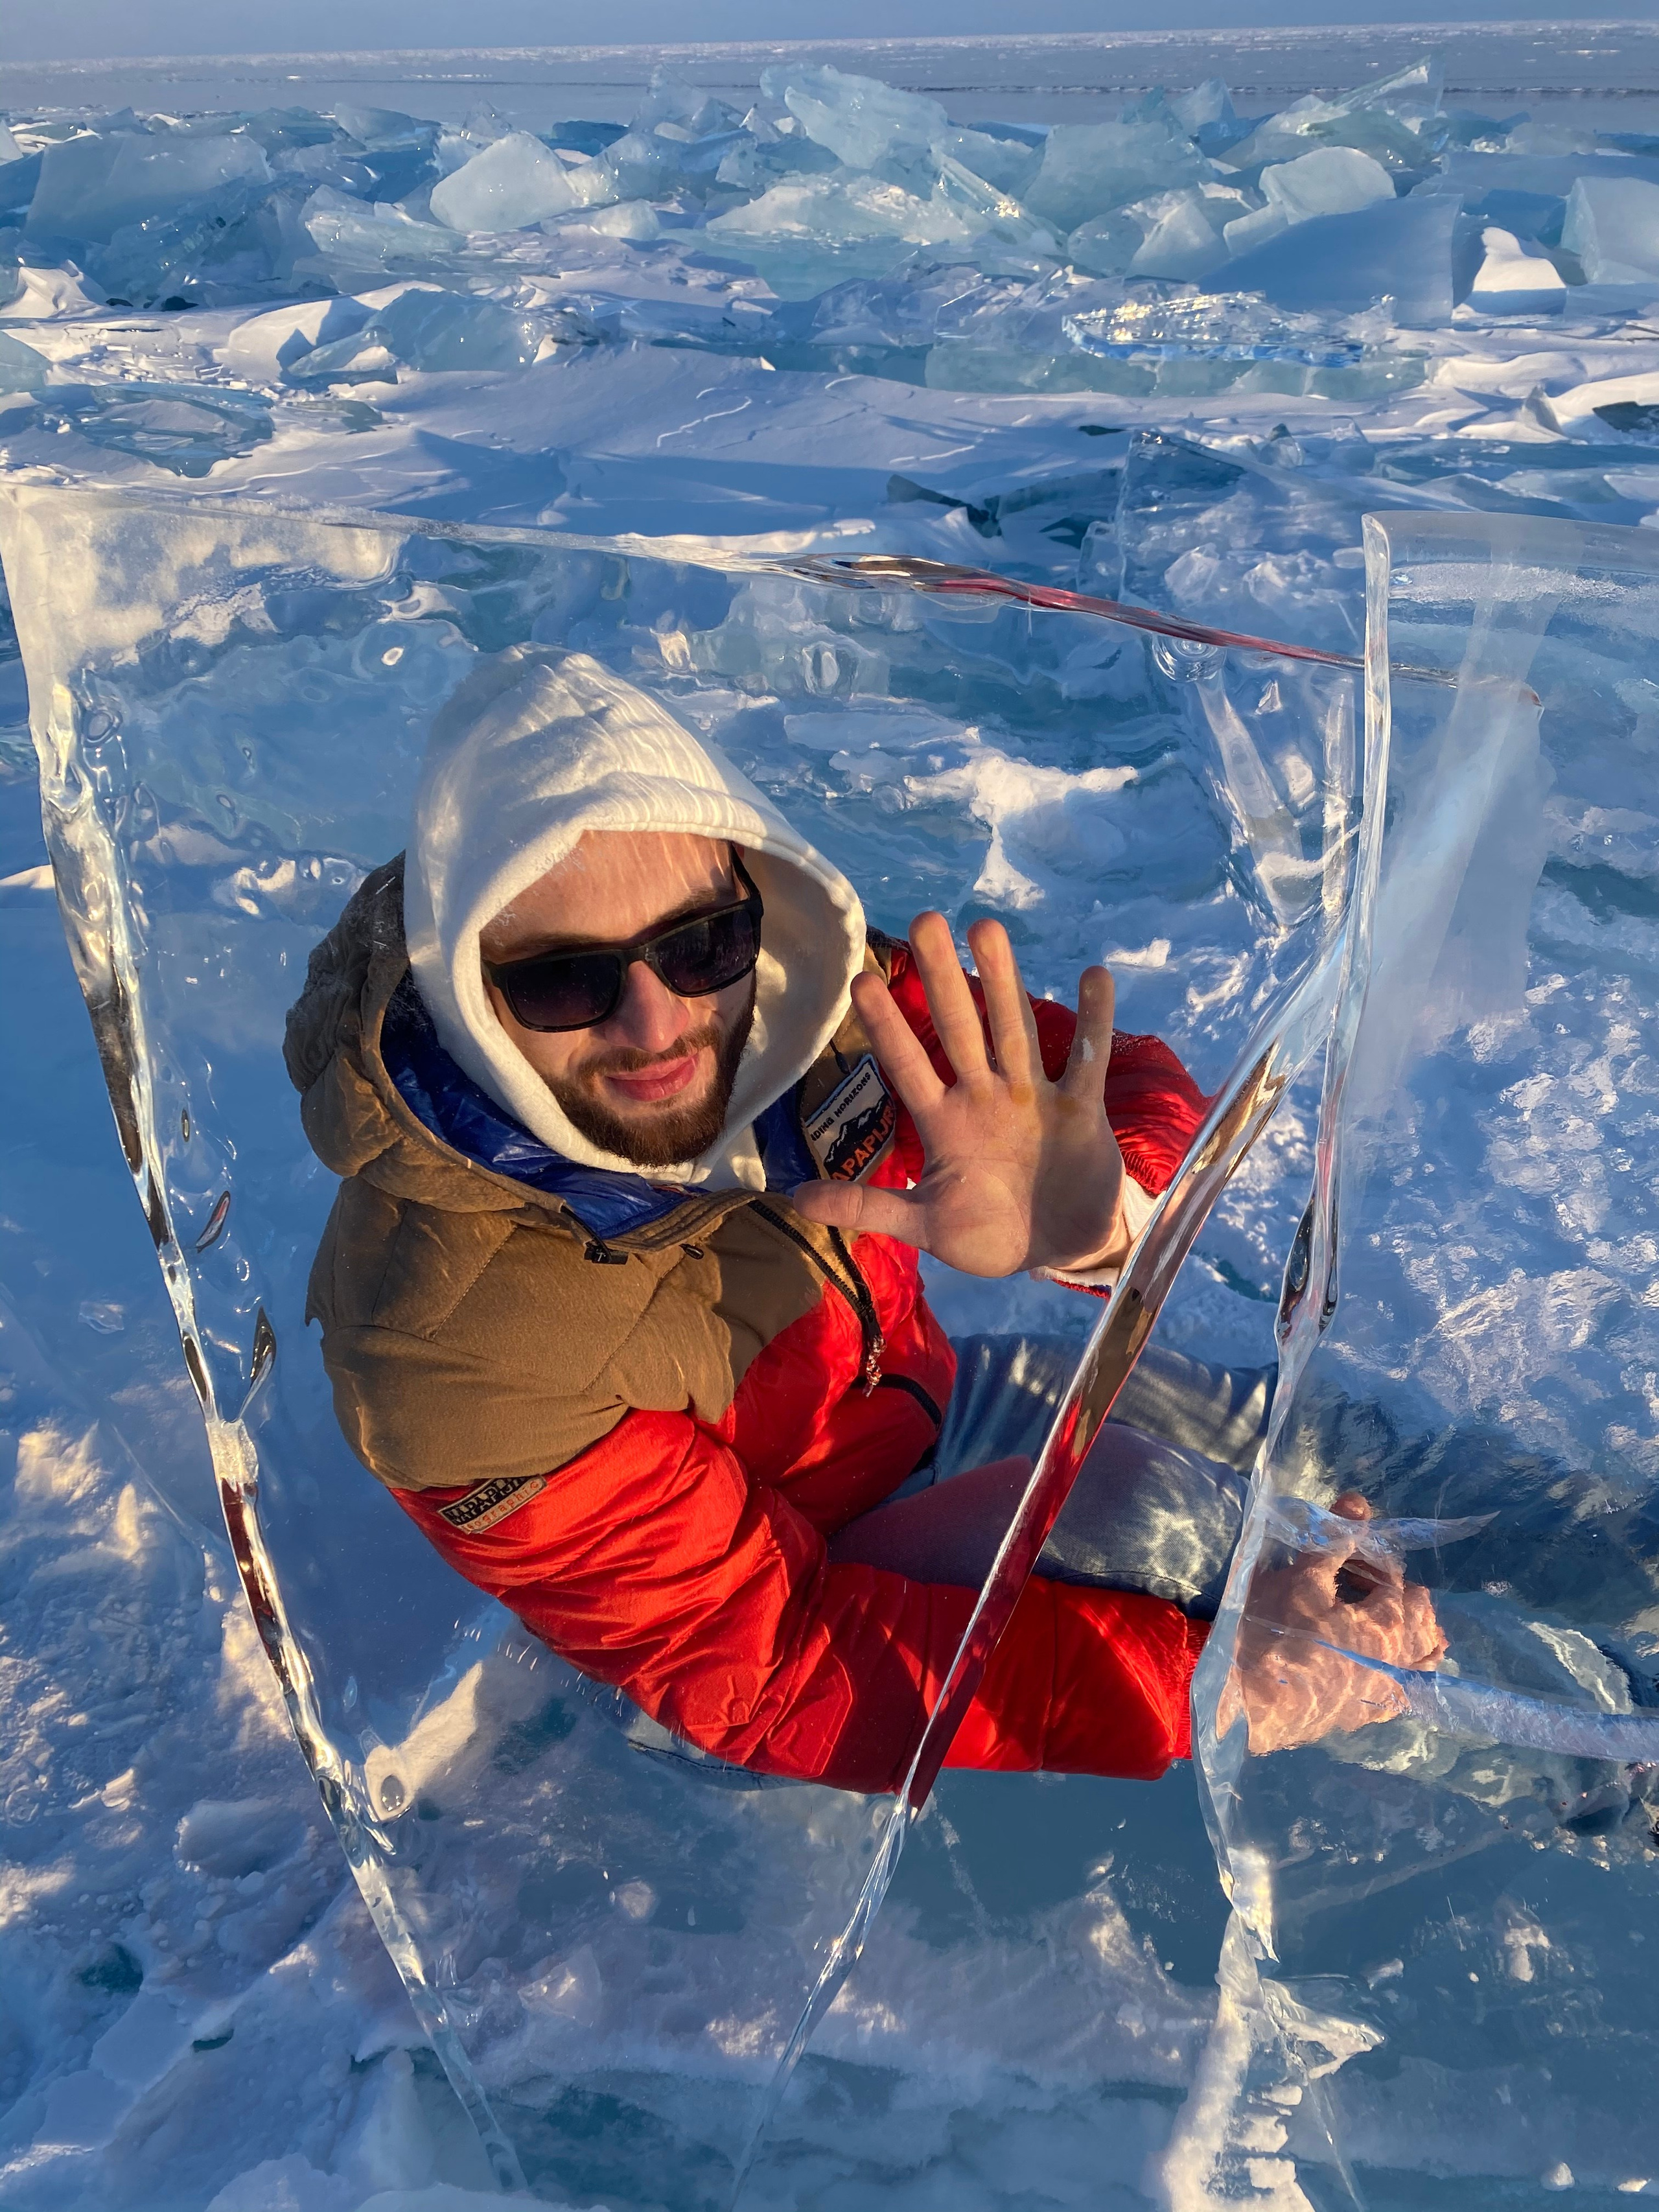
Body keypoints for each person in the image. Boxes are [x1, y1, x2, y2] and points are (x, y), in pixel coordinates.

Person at [284, 648, 1441, 1793]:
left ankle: (1625, 1565)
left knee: (1327, 1440)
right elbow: (776, 1670)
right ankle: (1585, 1762)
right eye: (561, 980)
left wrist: (1102, 1228)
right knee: (1190, 1530)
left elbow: (1118, 1085)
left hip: (921, 1407)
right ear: (464, 992)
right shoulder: (437, 1344)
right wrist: (1228, 1681)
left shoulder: (813, 998)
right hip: (771, 1610)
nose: (657, 1021)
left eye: (698, 944)